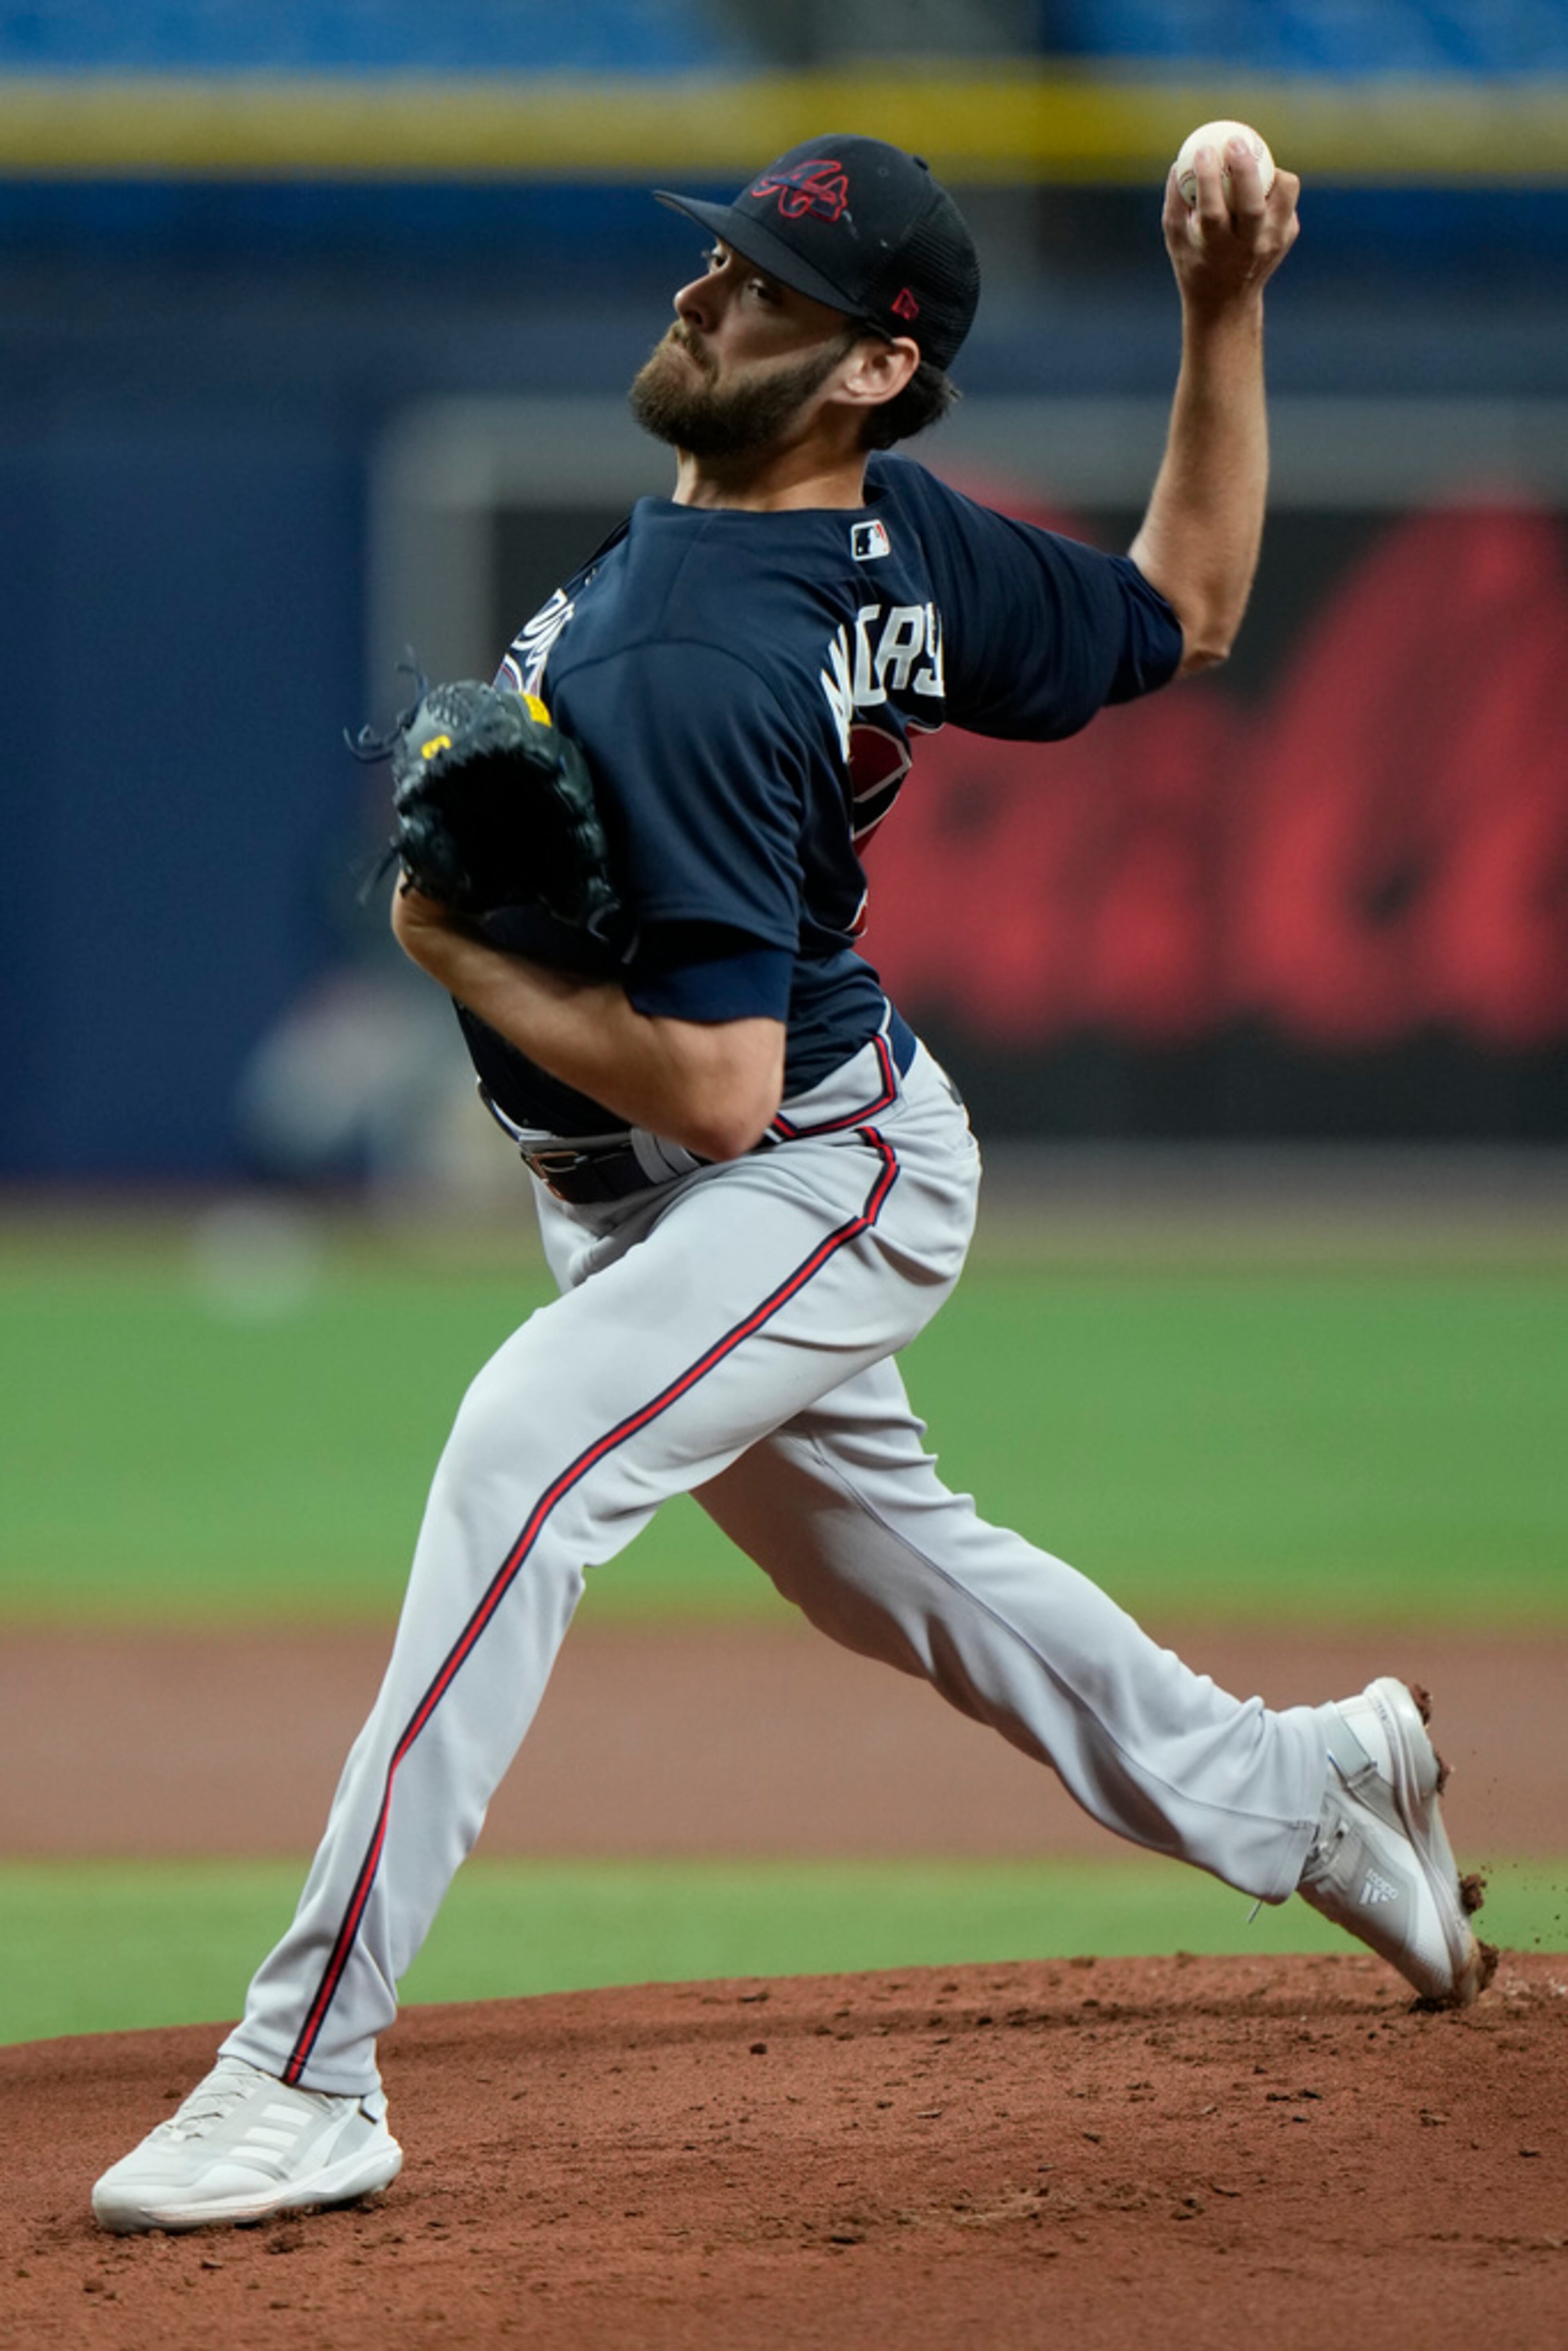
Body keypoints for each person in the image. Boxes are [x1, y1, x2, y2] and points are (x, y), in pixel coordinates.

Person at [92, 131, 1490, 2235]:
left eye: (759, 284)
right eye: (718, 260)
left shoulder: (714, 659)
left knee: (523, 1454)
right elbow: (1186, 611)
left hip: (801, 1167)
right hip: (700, 1174)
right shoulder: (892, 546)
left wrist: (458, 958)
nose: (701, 296)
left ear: (866, 368)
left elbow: (730, 1091)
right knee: (891, 1573)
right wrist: (1222, 314)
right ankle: (1304, 1788)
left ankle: (303, 2073)